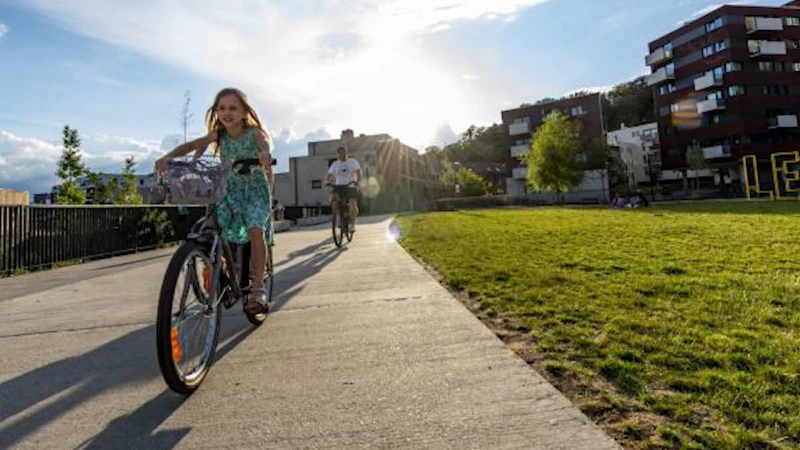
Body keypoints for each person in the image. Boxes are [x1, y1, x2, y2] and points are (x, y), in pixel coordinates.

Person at [155, 87, 274, 314]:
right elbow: (192, 145)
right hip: (229, 190)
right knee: (216, 230)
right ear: (215, 111)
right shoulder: (219, 134)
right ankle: (225, 270)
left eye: (233, 108)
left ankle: (258, 287)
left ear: (244, 111)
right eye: (222, 108)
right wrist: (168, 157)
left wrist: (265, 155)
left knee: (255, 230)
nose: (227, 113)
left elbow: (263, 146)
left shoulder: (253, 132)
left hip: (254, 190)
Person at [326, 146, 361, 231]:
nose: (341, 154)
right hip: (339, 186)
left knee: (352, 203)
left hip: (350, 186)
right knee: (334, 199)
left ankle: (352, 223)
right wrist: (327, 181)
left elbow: (358, 172)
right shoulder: (335, 164)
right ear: (337, 154)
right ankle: (338, 217)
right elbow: (329, 174)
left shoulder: (352, 162)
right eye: (339, 153)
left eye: (343, 152)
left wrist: (357, 181)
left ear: (346, 153)